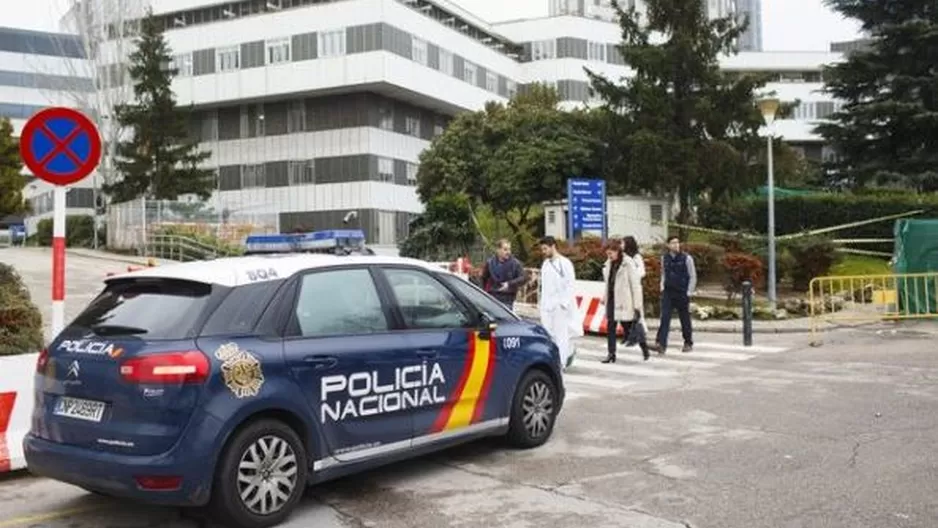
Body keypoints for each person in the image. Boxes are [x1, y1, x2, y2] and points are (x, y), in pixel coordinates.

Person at [601, 239, 649, 363]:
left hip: (625, 300)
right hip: (612, 299)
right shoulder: (609, 264)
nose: (609, 256)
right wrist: (604, 296)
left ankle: (644, 348)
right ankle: (611, 354)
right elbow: (608, 283)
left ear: (617, 251)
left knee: (629, 326)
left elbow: (635, 285)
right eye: (607, 254)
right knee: (610, 327)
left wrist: (637, 305)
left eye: (611, 253)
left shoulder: (628, 263)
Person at [538, 236, 580, 370]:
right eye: (542, 249)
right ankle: (557, 358)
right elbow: (544, 287)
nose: (543, 252)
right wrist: (543, 305)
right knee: (550, 335)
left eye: (545, 248)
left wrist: (564, 304)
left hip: (560, 306)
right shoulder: (545, 264)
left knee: (561, 335)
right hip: (547, 306)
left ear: (553, 246)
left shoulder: (565, 263)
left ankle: (561, 363)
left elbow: (570, 285)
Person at [649, 236, 696, 354]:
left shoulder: (687, 258)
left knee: (684, 318)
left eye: (677, 242)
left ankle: (688, 342)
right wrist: (662, 287)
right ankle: (661, 344)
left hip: (682, 292)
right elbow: (663, 273)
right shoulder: (665, 258)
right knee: (664, 318)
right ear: (668, 245)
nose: (676, 245)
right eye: (673, 243)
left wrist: (689, 292)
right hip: (668, 292)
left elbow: (692, 276)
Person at [480, 238, 526, 310]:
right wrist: (484, 292)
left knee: (506, 319)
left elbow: (523, 278)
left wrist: (509, 283)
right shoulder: (490, 262)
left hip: (508, 298)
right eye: (505, 249)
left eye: (509, 249)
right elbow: (484, 278)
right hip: (493, 296)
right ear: (498, 250)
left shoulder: (515, 263)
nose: (508, 252)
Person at [620, 235, 647, 346]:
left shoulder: (636, 257)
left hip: (634, 289)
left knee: (635, 314)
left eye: (623, 243)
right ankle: (626, 334)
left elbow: (642, 272)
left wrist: (632, 274)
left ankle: (636, 336)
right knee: (623, 314)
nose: (621, 245)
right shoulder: (622, 257)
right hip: (623, 289)